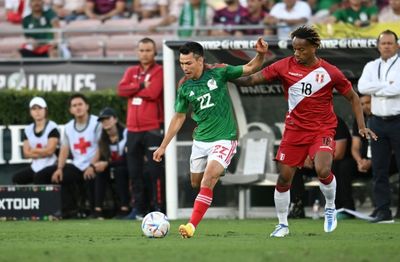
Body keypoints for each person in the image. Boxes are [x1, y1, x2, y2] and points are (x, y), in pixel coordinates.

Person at [234, 25, 376, 237]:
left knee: (323, 170)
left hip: (322, 128)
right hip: (294, 131)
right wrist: (223, 74)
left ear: (314, 47)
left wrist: (362, 126)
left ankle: (330, 207)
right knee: (283, 179)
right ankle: (282, 224)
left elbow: (354, 98)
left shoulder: (330, 72)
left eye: (302, 49)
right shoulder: (283, 66)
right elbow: (250, 80)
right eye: (294, 49)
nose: (297, 53)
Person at [153, 37, 269, 238]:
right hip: (200, 141)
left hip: (225, 138)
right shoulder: (185, 87)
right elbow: (179, 117)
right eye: (181, 63)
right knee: (196, 183)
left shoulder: (219, 71)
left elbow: (250, 68)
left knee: (207, 180)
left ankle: (191, 226)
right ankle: (215, 171)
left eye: (188, 63)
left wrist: (260, 54)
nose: (185, 67)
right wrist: (163, 146)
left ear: (200, 60)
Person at [117, 37, 165, 219]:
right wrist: (140, 85)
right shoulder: (131, 71)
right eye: (141, 50)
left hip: (152, 128)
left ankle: (158, 206)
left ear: (154, 53)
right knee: (134, 171)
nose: (144, 54)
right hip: (132, 129)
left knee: (155, 171)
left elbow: (154, 93)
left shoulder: (160, 71)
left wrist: (133, 89)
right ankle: (138, 208)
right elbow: (121, 90)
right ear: (137, 52)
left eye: (148, 50)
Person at [358, 30, 400, 223]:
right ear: (378, 46)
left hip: (398, 119)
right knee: (379, 169)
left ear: (397, 45)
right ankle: (382, 210)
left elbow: (398, 89)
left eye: (390, 43)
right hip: (377, 121)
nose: (387, 46)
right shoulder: (370, 65)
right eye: (383, 43)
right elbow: (362, 88)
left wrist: (377, 87)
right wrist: (386, 86)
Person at [51, 93, 101, 218]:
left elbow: (101, 147)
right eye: (74, 105)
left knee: (91, 176)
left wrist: (92, 166)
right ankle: (69, 210)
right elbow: (64, 149)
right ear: (70, 110)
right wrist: (59, 168)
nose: (78, 108)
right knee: (60, 177)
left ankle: (94, 211)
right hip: (77, 164)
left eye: (80, 104)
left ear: (87, 106)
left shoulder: (97, 122)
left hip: (93, 163)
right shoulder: (68, 127)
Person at [90, 107, 130, 219]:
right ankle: (98, 210)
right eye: (102, 120)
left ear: (115, 119)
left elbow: (127, 158)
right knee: (99, 172)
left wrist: (107, 164)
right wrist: (93, 166)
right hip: (111, 166)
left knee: (120, 171)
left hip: (127, 166)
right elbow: (99, 156)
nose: (105, 122)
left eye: (107, 118)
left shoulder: (126, 133)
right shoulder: (102, 138)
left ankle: (124, 208)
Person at [12, 97, 60, 185]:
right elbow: (26, 154)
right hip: (35, 166)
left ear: (45, 110)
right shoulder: (28, 129)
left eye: (40, 108)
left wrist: (34, 151)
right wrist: (43, 152)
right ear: (30, 112)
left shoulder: (52, 127)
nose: (37, 111)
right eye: (34, 109)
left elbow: (50, 151)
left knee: (39, 178)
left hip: (51, 166)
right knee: (17, 179)